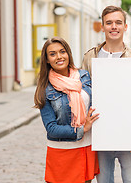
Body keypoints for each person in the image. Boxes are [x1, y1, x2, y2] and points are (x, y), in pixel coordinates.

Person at [82, 5, 131, 183]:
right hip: (100, 133)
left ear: (125, 26)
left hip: (129, 135)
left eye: (118, 22)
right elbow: (84, 94)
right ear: (102, 27)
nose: (113, 27)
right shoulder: (89, 57)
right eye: (109, 23)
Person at [34, 37, 100, 183]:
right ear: (46, 59)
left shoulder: (84, 76)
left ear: (68, 53)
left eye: (62, 51)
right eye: (52, 54)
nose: (59, 57)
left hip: (85, 147)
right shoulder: (45, 89)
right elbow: (51, 128)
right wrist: (82, 128)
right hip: (62, 151)